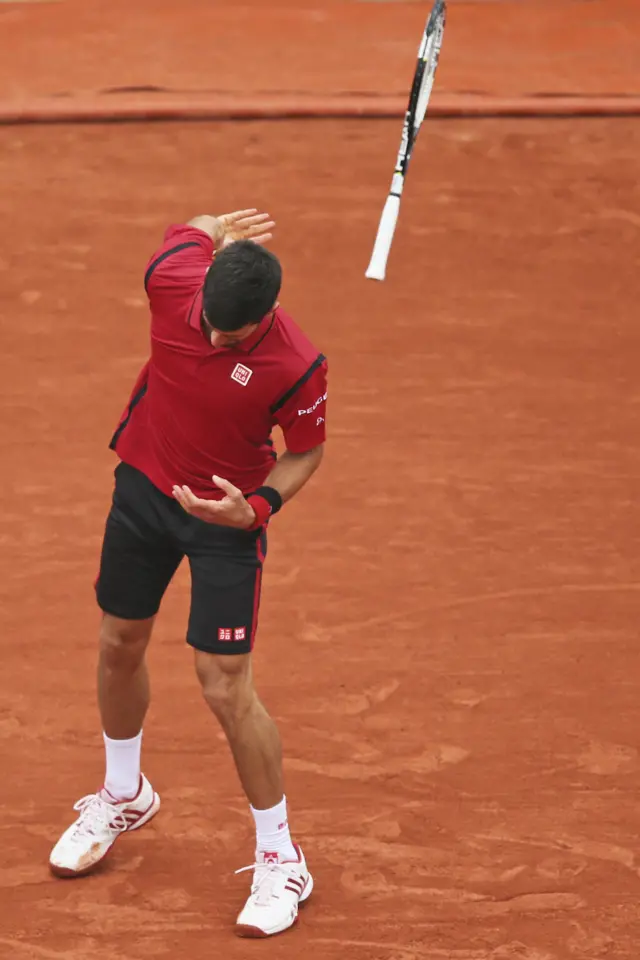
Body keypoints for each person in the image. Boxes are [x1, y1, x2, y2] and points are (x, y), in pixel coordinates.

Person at [49, 209, 327, 939]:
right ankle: (123, 793)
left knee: (224, 684)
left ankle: (281, 858)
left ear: (264, 320)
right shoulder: (174, 278)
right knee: (118, 642)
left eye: (228, 338)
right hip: (143, 487)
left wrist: (259, 507)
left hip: (223, 522)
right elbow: (192, 224)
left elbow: (305, 450)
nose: (209, 339)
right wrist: (208, 222)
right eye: (205, 322)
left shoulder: (296, 364)